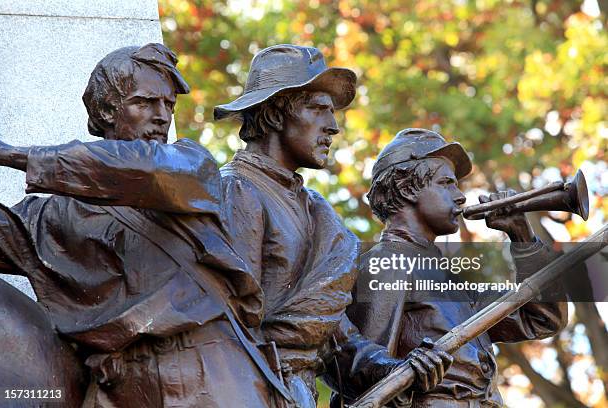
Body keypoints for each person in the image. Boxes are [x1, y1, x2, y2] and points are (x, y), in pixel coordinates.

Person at [0, 43, 280, 407]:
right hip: (121, 388)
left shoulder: (191, 167)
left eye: (169, 106)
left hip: (211, 374)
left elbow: (141, 170)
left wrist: (11, 154)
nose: (162, 116)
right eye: (145, 102)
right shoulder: (49, 217)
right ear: (105, 110)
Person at [214, 45, 453, 407]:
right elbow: (231, 321)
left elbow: (335, 332)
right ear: (278, 112)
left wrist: (391, 368)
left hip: (297, 393)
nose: (333, 126)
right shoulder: (239, 190)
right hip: (252, 390)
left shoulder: (317, 212)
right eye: (318, 108)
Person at [347, 128, 568, 407]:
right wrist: (400, 369)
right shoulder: (386, 264)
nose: (460, 196)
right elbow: (359, 379)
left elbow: (543, 318)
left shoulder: (452, 281)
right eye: (446, 183)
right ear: (406, 189)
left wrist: (523, 237)